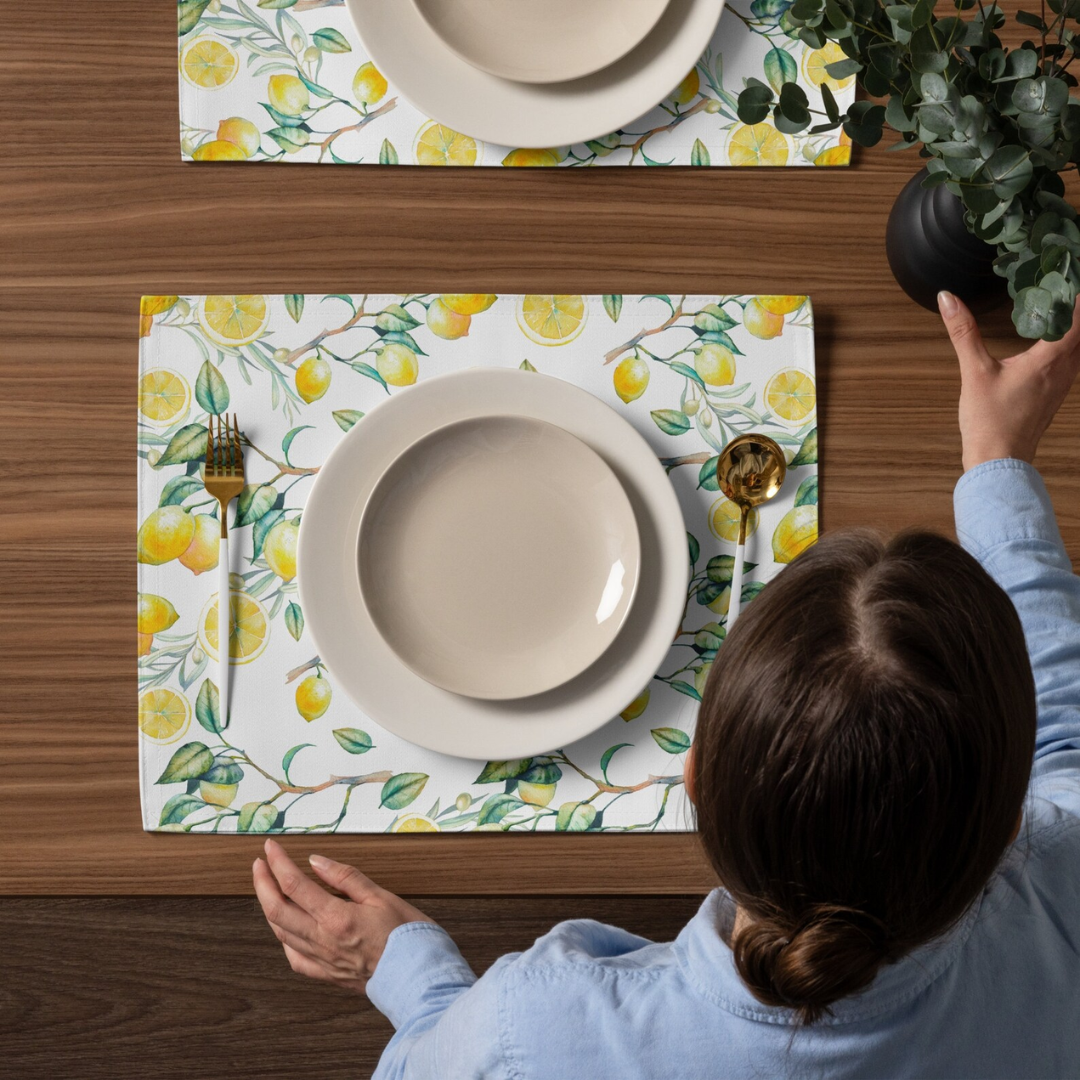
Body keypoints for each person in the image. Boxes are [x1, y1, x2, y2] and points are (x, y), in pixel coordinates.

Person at [252, 292, 1080, 1079]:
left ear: (695, 785)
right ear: (1010, 827)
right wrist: (997, 464)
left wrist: (414, 980)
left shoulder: (531, 1033)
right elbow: (1066, 740)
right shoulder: (1061, 892)